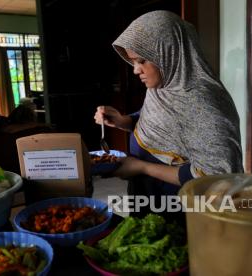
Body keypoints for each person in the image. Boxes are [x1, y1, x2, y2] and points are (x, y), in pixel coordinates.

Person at [94, 11, 243, 220]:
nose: (136, 70)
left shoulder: (204, 104)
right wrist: (124, 121)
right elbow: (160, 122)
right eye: (133, 61)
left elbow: (216, 177)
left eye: (142, 60)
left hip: (180, 206)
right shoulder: (164, 85)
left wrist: (143, 168)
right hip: (149, 195)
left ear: (169, 53)